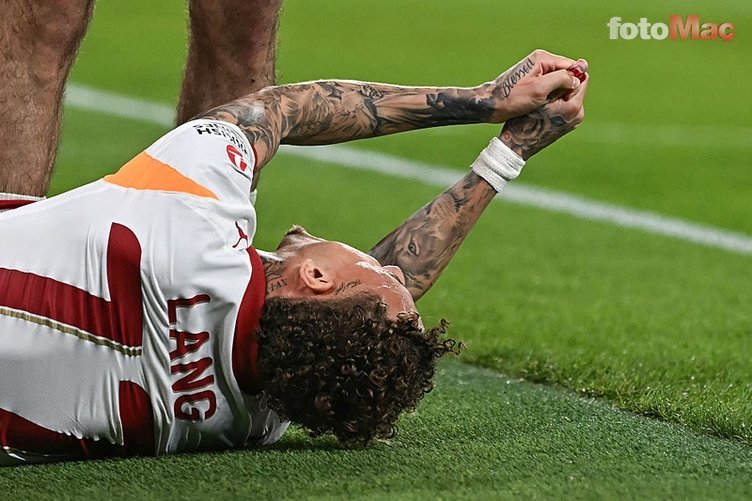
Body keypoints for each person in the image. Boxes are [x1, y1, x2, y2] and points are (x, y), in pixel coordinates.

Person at [0, 3, 589, 466]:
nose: (391, 266)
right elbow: (372, 319)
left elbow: (284, 109)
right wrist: (507, 154)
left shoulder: (192, 220)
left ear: (317, 277)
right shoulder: (251, 419)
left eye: (379, 272)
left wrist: (484, 102)